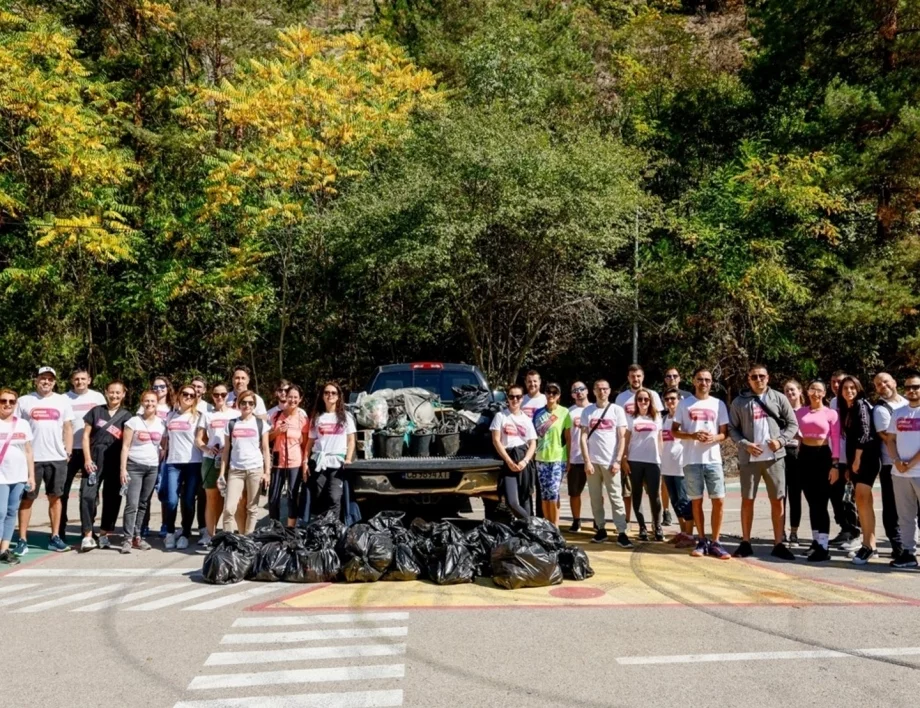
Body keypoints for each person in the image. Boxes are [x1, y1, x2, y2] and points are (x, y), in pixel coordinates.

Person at [728, 364, 798, 561]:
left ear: (768, 378)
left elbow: (792, 424)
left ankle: (778, 543)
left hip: (774, 458)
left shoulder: (778, 398)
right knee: (747, 499)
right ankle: (745, 542)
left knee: (777, 500)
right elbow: (732, 429)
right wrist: (744, 444)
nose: (758, 380)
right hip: (750, 459)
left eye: (762, 376)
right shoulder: (739, 402)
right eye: (754, 377)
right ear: (748, 379)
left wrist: (781, 441)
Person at [672, 367, 731, 560]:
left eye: (707, 379)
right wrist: (692, 435)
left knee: (719, 500)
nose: (703, 383)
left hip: (713, 459)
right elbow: (674, 431)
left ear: (711, 382)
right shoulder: (685, 404)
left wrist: (715, 437)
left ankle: (716, 542)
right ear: (693, 381)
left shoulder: (718, 404)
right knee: (696, 502)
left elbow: (724, 433)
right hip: (692, 459)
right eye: (700, 379)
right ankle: (701, 540)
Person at [14, 366, 74, 554]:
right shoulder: (24, 401)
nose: (46, 382)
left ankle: (54, 537)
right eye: (42, 378)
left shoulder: (62, 401)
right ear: (36, 380)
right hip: (32, 460)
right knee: (27, 499)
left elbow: (68, 427)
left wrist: (68, 452)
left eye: (50, 379)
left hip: (56, 458)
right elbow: (15, 427)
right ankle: (22, 539)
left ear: (54, 382)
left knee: (55, 498)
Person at [78, 381, 131, 552]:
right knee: (87, 496)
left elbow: (128, 443)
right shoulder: (95, 411)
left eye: (118, 393)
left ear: (123, 394)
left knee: (112, 498)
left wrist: (124, 467)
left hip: (115, 459)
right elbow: (85, 436)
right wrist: (87, 459)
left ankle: (103, 534)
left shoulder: (127, 416)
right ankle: (87, 534)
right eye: (111, 392)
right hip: (94, 458)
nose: (114, 395)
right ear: (106, 392)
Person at [579, 380, 632, 548]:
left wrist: (618, 460)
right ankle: (600, 529)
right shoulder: (588, 411)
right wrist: (586, 460)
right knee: (595, 498)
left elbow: (622, 437)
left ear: (609, 391)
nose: (602, 392)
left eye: (605, 389)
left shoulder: (617, 411)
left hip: (611, 463)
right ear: (594, 391)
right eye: (599, 389)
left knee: (616, 497)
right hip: (593, 462)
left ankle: (621, 531)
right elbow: (583, 437)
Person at [838, 376, 882, 565]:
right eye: (845, 388)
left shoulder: (861, 405)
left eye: (852, 387)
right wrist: (849, 465)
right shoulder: (847, 408)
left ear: (858, 389)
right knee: (862, 502)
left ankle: (869, 546)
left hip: (866, 458)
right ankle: (868, 544)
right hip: (855, 460)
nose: (849, 391)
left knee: (863, 499)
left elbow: (865, 434)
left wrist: (856, 460)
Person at [796, 380, 840, 562]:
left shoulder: (831, 413)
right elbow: (793, 431)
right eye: (813, 389)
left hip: (823, 456)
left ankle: (824, 546)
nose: (815, 393)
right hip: (805, 456)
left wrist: (835, 464)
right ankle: (815, 541)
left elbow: (836, 439)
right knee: (812, 502)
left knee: (821, 503)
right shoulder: (800, 412)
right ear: (807, 391)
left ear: (824, 393)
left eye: (819, 390)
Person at [60, 369, 105, 540]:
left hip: (90, 451)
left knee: (89, 493)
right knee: (61, 492)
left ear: (89, 380)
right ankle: (60, 528)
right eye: (76, 379)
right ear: (72, 381)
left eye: (83, 379)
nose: (80, 382)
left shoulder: (97, 397)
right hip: (68, 451)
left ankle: (87, 528)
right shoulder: (64, 399)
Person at [120, 390, 167, 553]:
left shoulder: (162, 423)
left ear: (157, 404)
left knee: (143, 503)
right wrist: (123, 469)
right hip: (134, 466)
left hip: (152, 467)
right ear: (142, 402)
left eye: (153, 401)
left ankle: (138, 536)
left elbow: (164, 445)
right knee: (131, 504)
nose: (150, 404)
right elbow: (125, 446)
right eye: (147, 401)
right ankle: (126, 538)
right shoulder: (133, 422)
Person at [219, 390, 270, 533]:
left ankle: (248, 541)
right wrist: (222, 473)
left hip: (255, 469)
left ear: (254, 405)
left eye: (250, 403)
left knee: (252, 508)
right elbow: (226, 450)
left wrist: (267, 473)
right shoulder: (231, 424)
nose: (247, 405)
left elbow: (266, 449)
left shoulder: (261, 424)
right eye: (244, 402)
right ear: (238, 404)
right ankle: (228, 541)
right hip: (236, 470)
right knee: (229, 509)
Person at [304, 383, 356, 522]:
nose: (330, 395)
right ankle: (323, 529)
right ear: (322, 396)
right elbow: (310, 442)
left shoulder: (346, 417)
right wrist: (305, 461)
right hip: (319, 462)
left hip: (337, 463)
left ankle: (333, 527)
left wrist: (348, 458)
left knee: (334, 496)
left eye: (333, 393)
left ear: (338, 396)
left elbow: (351, 440)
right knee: (320, 496)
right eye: (327, 392)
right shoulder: (317, 417)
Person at [196, 382, 239, 543]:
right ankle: (210, 534)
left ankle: (227, 532)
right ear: (212, 396)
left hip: (231, 460)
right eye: (216, 395)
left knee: (230, 498)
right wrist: (206, 449)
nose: (219, 397)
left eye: (222, 394)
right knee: (211, 497)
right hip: (211, 460)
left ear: (228, 395)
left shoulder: (235, 414)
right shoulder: (207, 415)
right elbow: (198, 439)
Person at [885, 371, 920, 569]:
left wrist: (911, 463)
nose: (911, 391)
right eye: (908, 387)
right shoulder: (899, 413)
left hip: (918, 471)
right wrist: (896, 460)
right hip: (900, 474)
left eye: (916, 387)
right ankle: (908, 553)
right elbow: (890, 439)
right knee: (906, 516)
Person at [162, 384, 204, 550]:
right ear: (178, 395)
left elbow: (202, 439)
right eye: (185, 394)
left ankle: (186, 533)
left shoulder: (198, 416)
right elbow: (164, 440)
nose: (188, 397)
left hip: (193, 463)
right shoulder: (170, 415)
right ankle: (170, 533)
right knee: (171, 500)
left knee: (188, 501)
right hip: (173, 463)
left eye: (192, 395)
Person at [873, 372, 910, 559]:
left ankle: (909, 544)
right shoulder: (880, 409)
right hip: (892, 465)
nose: (883, 386)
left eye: (886, 381)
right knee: (892, 508)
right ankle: (898, 546)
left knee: (912, 508)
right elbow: (888, 438)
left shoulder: (908, 402)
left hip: (914, 464)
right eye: (878, 384)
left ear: (894, 382)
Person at [623, 387, 664, 541]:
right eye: (640, 399)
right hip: (635, 461)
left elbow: (660, 440)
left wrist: (662, 458)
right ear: (636, 402)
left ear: (650, 401)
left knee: (655, 495)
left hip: (653, 461)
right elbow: (626, 440)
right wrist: (624, 459)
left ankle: (657, 525)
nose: (643, 402)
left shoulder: (657, 418)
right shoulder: (631, 419)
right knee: (637, 495)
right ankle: (642, 527)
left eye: (646, 399)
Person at [492, 385, 537, 519]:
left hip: (524, 458)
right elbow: (496, 440)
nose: (515, 399)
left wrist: (525, 461)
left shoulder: (527, 419)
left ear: (522, 399)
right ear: (507, 399)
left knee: (525, 498)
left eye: (518, 397)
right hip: (508, 458)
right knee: (512, 502)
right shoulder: (500, 416)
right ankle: (532, 524)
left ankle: (526, 533)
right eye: (512, 396)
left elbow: (533, 442)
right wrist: (508, 461)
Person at [0, 389, 35, 565]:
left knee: (11, 512)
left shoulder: (22, 424)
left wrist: (31, 476)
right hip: (1, 476)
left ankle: (4, 549)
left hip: (19, 475)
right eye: (3, 401)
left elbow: (28, 451)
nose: (7, 404)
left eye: (11, 401)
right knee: (0, 511)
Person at [267, 384, 310, 527]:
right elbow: (267, 439)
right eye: (290, 396)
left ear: (300, 399)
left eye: (295, 397)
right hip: (278, 461)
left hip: (295, 462)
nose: (292, 400)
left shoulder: (302, 418)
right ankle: (275, 527)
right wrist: (277, 431)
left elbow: (305, 443)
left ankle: (290, 529)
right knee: (273, 497)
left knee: (292, 496)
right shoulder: (276, 415)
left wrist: (305, 462)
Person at [828, 370, 861, 547]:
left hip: (851, 458)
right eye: (833, 382)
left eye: (839, 382)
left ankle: (856, 532)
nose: (836, 385)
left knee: (851, 498)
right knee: (837, 496)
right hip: (835, 458)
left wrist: (852, 461)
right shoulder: (833, 402)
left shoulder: (858, 405)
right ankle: (846, 529)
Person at [532, 383, 571, 526]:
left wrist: (569, 459)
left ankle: (555, 526)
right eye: (548, 392)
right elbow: (534, 436)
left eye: (555, 393)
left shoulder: (564, 412)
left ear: (559, 396)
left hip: (557, 458)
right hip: (541, 458)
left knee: (554, 493)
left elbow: (568, 438)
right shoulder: (538, 413)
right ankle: (547, 526)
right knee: (544, 494)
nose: (551, 395)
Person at [661, 388, 696, 547]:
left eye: (673, 399)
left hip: (681, 467)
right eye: (667, 399)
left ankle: (690, 535)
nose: (670, 402)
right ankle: (683, 532)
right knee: (675, 502)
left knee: (684, 501)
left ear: (679, 400)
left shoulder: (684, 418)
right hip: (667, 467)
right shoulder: (663, 419)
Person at [141, 375, 173, 539]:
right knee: (145, 492)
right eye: (155, 387)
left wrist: (164, 449)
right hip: (147, 455)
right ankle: (143, 524)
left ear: (168, 388)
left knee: (165, 492)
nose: (159, 390)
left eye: (162, 387)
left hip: (166, 456)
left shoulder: (172, 407)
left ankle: (165, 524)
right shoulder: (145, 405)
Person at [782, 379, 806, 546]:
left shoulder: (806, 411)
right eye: (786, 391)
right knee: (780, 495)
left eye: (792, 390)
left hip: (799, 455)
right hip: (782, 454)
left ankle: (794, 532)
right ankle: (780, 531)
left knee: (795, 496)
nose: (790, 393)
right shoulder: (780, 412)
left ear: (800, 391)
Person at [521, 370, 546, 516]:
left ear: (540, 382)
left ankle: (541, 519)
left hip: (542, 449)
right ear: (525, 383)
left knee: (541, 487)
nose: (532, 384)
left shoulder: (545, 399)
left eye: (535, 381)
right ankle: (527, 519)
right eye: (529, 381)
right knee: (526, 486)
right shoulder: (521, 400)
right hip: (524, 449)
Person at [566, 381, 590, 532]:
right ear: (572, 394)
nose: (579, 392)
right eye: (575, 390)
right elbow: (567, 437)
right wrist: (567, 459)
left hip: (594, 458)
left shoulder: (595, 409)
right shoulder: (569, 412)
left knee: (597, 493)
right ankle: (576, 520)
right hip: (575, 458)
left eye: (581, 389)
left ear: (587, 391)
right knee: (574, 492)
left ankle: (597, 520)